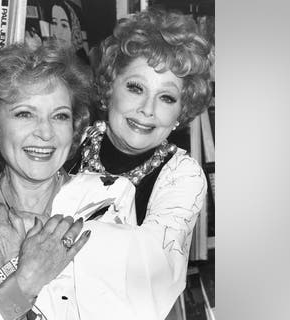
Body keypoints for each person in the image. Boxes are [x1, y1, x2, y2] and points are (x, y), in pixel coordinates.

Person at [0, 40, 137, 320]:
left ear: (74, 127)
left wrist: (12, 267)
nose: (45, 132)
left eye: (59, 116)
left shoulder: (106, 202)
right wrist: (24, 279)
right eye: (25, 114)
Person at [65, 8, 212, 318]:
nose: (147, 109)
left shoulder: (183, 176)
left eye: (167, 98)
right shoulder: (67, 143)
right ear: (108, 89)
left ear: (180, 114)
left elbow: (148, 270)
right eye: (135, 88)